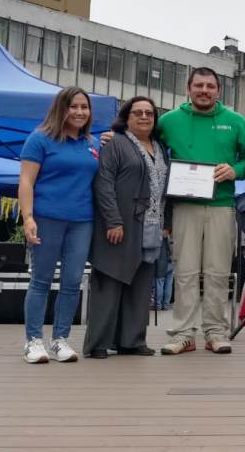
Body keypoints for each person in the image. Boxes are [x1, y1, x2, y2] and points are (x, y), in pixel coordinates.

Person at [158, 67, 245, 355]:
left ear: (219, 91)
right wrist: (114, 135)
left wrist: (234, 170)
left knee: (217, 272)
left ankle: (215, 331)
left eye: (210, 86)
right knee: (185, 271)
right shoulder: (168, 120)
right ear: (189, 88)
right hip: (185, 205)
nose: (204, 91)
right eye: (198, 85)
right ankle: (184, 334)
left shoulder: (235, 121)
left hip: (222, 205)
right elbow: (149, 146)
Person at [84, 96, 169, 358]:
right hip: (120, 223)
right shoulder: (116, 143)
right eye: (138, 113)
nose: (144, 117)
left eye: (149, 113)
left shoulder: (160, 147)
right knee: (110, 280)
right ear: (126, 117)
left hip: (152, 224)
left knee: (140, 283)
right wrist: (113, 220)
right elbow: (104, 183)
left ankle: (131, 340)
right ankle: (99, 343)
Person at [18, 87, 99, 364]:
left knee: (72, 281)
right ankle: (33, 341)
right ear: (60, 108)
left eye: (84, 107)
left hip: (82, 221)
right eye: (73, 106)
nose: (79, 112)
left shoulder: (92, 144)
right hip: (47, 218)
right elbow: (26, 181)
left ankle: (60, 339)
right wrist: (28, 217)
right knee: (40, 280)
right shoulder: (39, 139)